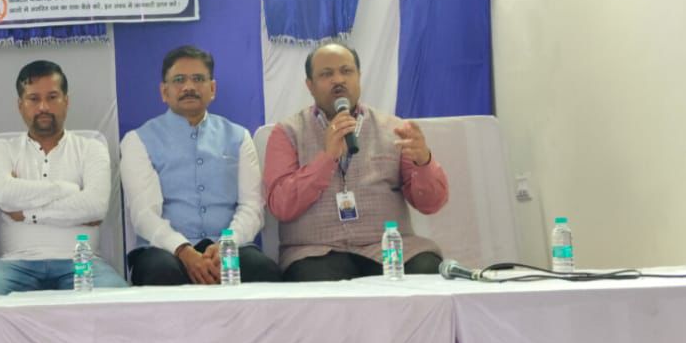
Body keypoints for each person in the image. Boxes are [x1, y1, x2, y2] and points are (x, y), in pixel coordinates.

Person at [263, 43, 449, 281]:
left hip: (388, 247)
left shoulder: (394, 129)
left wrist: (424, 162)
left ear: (359, 77)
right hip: (316, 252)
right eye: (326, 74)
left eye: (346, 71)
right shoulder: (287, 133)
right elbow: (281, 206)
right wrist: (326, 158)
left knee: (428, 272)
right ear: (310, 85)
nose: (338, 80)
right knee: (318, 285)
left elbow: (431, 204)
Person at [121, 46, 281, 285]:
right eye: (179, 80)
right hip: (165, 250)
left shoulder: (238, 137)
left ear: (212, 89)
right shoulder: (139, 140)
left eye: (198, 79)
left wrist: (227, 245)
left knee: (263, 271)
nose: (189, 87)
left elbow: (252, 207)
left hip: (229, 246)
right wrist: (183, 250)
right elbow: (144, 214)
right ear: (164, 91)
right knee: (160, 273)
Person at [0, 60, 126, 292]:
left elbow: (95, 206)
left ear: (66, 101)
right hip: (15, 264)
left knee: (114, 297)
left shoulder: (91, 148)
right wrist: (68, 189)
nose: (43, 107)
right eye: (33, 99)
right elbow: (4, 195)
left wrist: (28, 214)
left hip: (83, 262)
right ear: (20, 105)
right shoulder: (2, 148)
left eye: (52, 97)